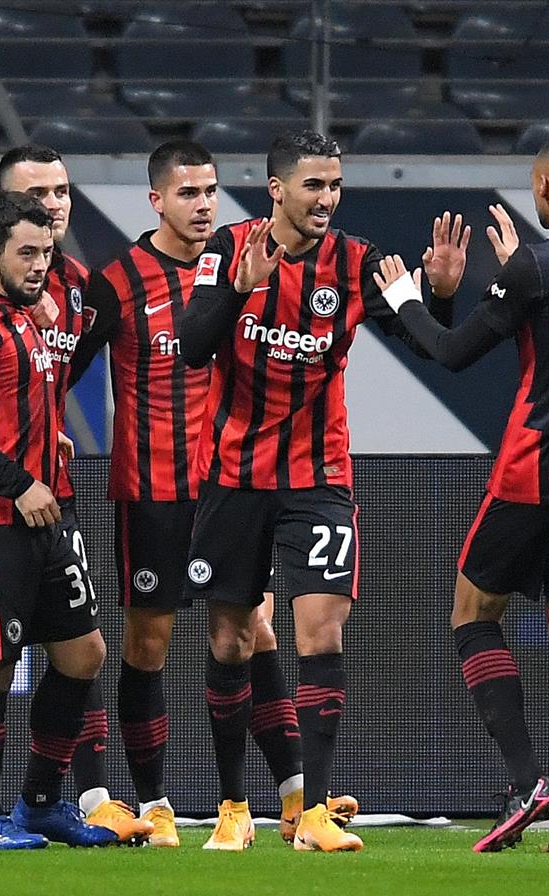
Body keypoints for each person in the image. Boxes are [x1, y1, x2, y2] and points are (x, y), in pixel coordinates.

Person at [178, 130, 465, 852]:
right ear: (277, 189)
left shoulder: (359, 263)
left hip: (319, 476)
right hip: (235, 474)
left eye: (335, 185)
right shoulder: (229, 249)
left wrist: (443, 294)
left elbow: (431, 344)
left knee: (321, 631)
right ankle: (234, 804)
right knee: (230, 637)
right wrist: (239, 289)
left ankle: (312, 813)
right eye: (313, 185)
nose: (327, 199)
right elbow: (191, 345)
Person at [373, 134, 549, 855]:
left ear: (542, 185)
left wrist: (407, 297)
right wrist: (521, 278)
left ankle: (529, 779)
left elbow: (453, 352)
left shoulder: (536, 266)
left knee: (473, 614)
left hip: (535, 473)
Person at [72, 140, 343, 847]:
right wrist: (42, 437)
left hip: (236, 481)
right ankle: (156, 803)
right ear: (156, 200)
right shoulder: (119, 282)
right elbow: (59, 370)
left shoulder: (254, 260)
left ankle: (293, 794)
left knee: (255, 629)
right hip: (156, 486)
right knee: (150, 641)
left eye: (212, 191)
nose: (203, 206)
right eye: (188, 193)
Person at [0, 146, 150, 846]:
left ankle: (44, 801)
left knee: (83, 653)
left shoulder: (52, 299)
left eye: (46, 250)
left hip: (50, 504)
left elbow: (44, 382)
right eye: (26, 249)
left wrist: (47, 438)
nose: (40, 260)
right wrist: (19, 479)